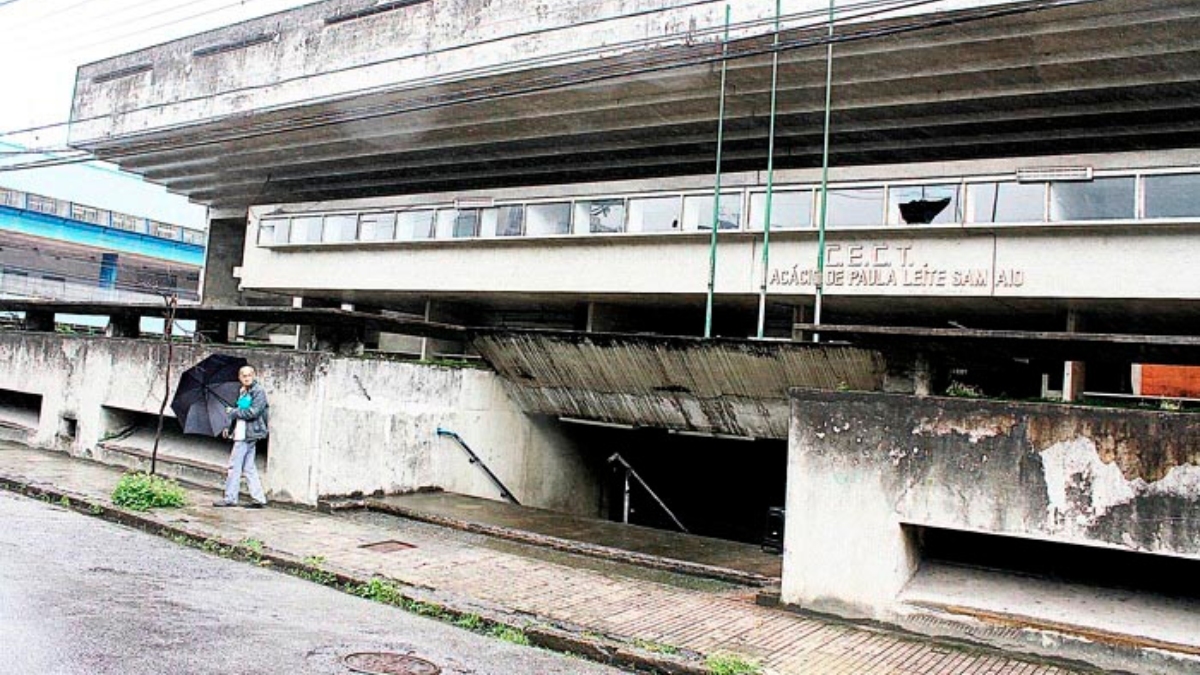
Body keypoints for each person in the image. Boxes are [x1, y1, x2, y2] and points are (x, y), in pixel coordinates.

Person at [213, 365, 269, 508]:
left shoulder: (258, 392)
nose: (246, 377)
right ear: (239, 378)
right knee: (248, 467)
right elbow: (240, 411)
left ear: (254, 375)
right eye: (243, 375)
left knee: (234, 466)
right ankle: (259, 498)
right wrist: (229, 427)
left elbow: (253, 412)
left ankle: (230, 498)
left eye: (249, 375)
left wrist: (232, 412)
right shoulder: (243, 391)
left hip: (247, 435)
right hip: (242, 432)